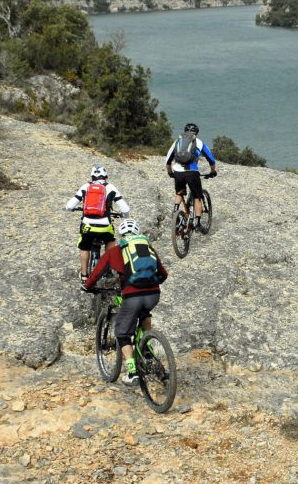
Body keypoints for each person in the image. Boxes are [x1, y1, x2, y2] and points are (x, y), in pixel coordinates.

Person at [83, 218, 169, 385]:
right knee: (143, 317)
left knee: (122, 334)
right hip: (153, 296)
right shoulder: (148, 248)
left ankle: (132, 373)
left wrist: (87, 286)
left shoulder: (115, 251)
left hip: (132, 297)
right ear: (137, 234)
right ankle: (147, 348)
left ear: (121, 235)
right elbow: (163, 274)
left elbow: (97, 271)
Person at [66, 165, 130, 282]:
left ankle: (84, 275)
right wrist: (123, 214)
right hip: (105, 226)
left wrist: (70, 209)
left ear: (92, 177)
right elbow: (125, 209)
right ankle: (109, 268)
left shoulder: (86, 186)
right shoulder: (110, 187)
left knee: (84, 247)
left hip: (87, 226)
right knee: (110, 241)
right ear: (106, 177)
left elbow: (69, 206)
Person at [165, 123, 216, 231]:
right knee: (197, 196)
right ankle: (197, 222)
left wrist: (170, 173)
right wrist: (212, 171)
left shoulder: (177, 141)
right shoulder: (199, 142)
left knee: (179, 192)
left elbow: (168, 160)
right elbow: (211, 159)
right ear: (196, 133)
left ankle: (175, 210)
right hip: (192, 173)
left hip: (178, 172)